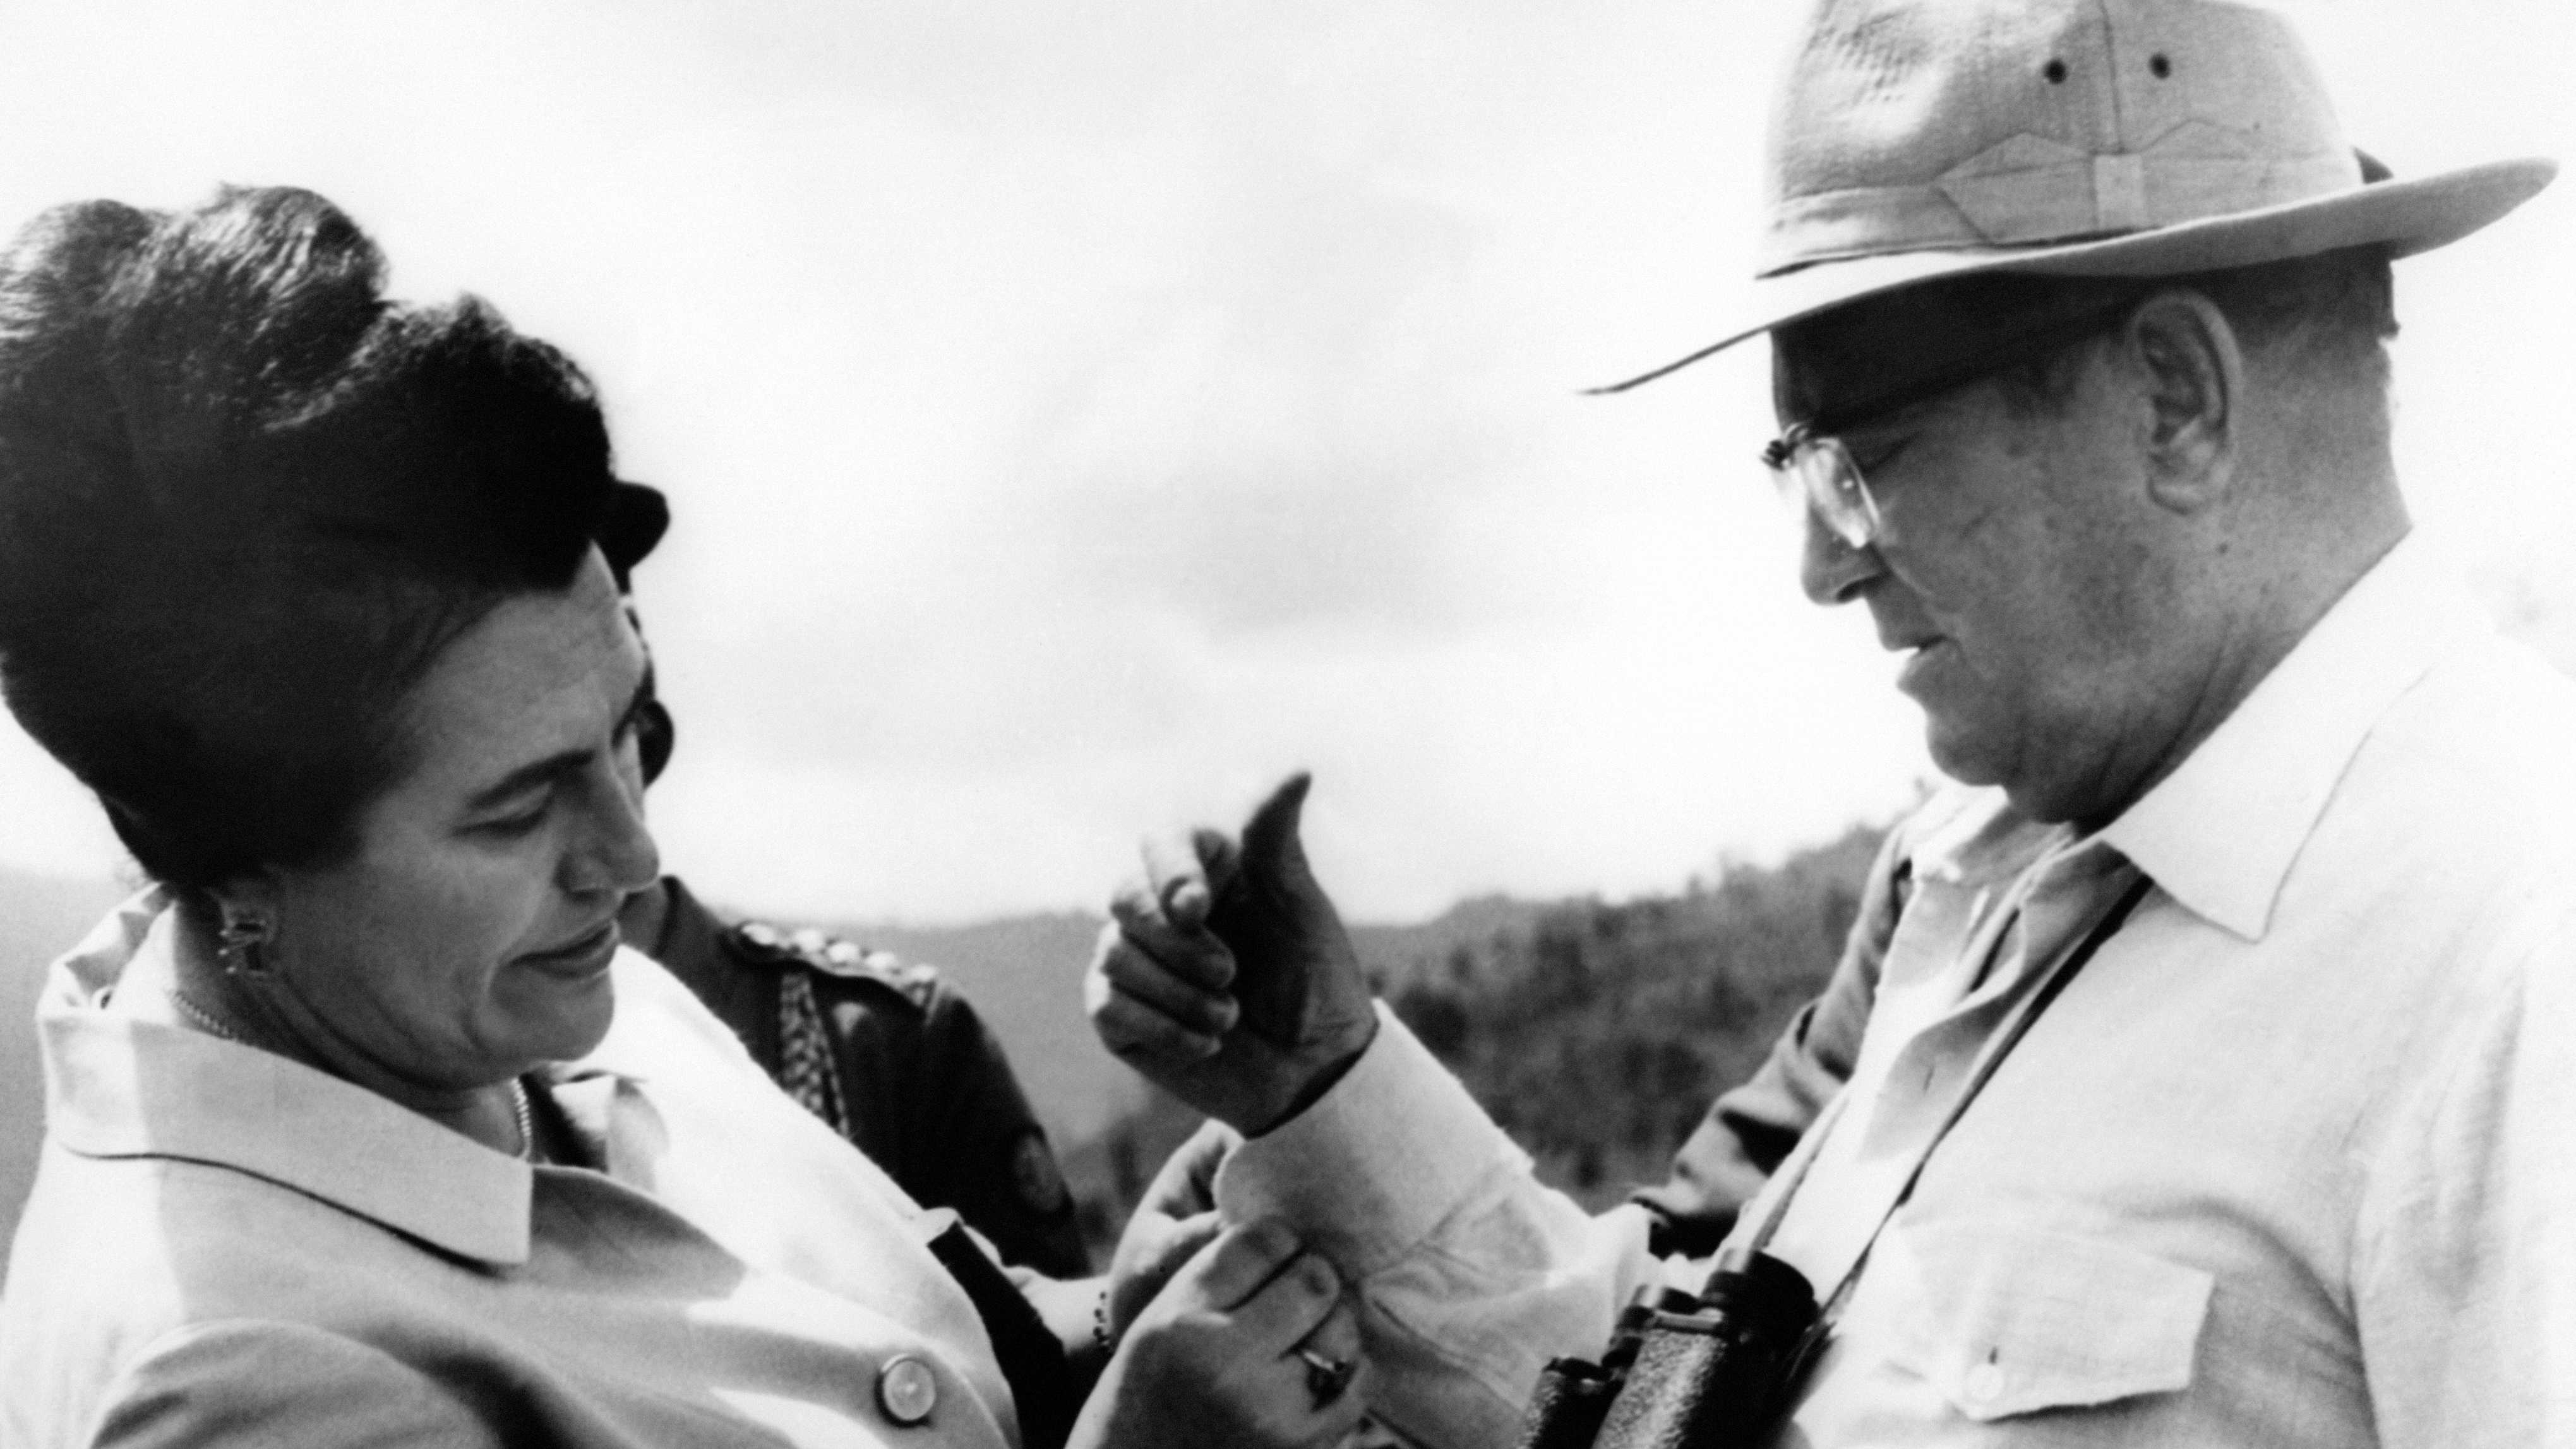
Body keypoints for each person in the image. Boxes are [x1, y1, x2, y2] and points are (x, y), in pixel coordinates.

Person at [1087, 2, 2574, 1446]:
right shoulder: (1986, 879)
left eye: (1863, 457)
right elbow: (1675, 1397)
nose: (1820, 562)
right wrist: (1317, 1081)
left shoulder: (2511, 959)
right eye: (1796, 467)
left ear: (2174, 399)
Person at [0, 185, 1370, 1449]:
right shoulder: (235, 1372)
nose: (632, 853)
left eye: (626, 730)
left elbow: (899, 1355)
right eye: (518, 807)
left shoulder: (546, 1007)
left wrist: (1118, 1313)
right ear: (241, 859)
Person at [592, 489, 1089, 1277]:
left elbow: (1057, 1343)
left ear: (646, 739)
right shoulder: (428, 1079)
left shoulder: (883, 1044)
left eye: (590, 747)